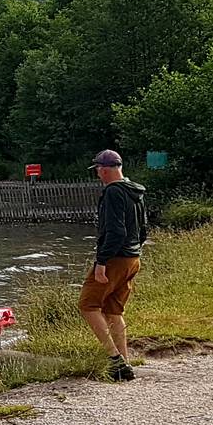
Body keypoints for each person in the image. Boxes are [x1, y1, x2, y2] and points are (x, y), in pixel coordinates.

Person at [78, 149, 147, 381]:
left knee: (87, 304)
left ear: (104, 169)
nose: (97, 173)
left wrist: (101, 261)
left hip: (116, 258)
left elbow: (116, 231)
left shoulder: (113, 192)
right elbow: (143, 228)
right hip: (132, 258)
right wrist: (135, 251)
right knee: (112, 310)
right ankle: (124, 363)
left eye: (97, 169)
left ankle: (114, 359)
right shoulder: (135, 191)